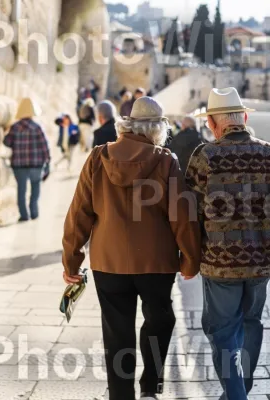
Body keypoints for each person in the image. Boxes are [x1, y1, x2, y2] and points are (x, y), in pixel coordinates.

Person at [62, 97, 201, 400]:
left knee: (117, 331)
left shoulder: (98, 157)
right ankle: (150, 386)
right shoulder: (165, 161)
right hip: (156, 262)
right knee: (160, 319)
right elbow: (182, 214)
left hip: (108, 262)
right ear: (158, 129)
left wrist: (71, 262)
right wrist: (190, 259)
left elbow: (78, 214)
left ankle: (121, 395)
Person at [186, 87, 270, 400]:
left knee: (222, 329)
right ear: (243, 117)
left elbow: (188, 214)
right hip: (262, 262)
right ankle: (238, 389)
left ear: (213, 125)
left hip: (219, 263)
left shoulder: (204, 157)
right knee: (251, 321)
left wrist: (186, 256)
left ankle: (236, 394)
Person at [2, 98, 51, 222]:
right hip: (36, 165)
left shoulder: (14, 127)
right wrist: (47, 161)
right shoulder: (37, 127)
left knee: (21, 190)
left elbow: (7, 142)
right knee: (35, 188)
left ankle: (24, 215)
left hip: (19, 165)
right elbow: (44, 146)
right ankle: (34, 212)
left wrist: (6, 132)